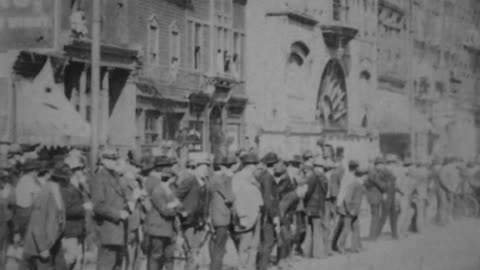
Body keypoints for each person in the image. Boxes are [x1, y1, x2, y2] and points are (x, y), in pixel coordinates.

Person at [22, 159, 68, 270]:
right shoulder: (45, 194)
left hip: (53, 243)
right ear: (60, 180)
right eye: (65, 180)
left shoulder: (56, 192)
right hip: (40, 247)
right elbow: (37, 224)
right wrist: (42, 248)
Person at [91, 149, 131, 270]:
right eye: (110, 159)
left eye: (114, 159)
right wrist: (118, 214)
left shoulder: (114, 176)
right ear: (103, 160)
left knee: (117, 265)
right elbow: (98, 206)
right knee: (106, 265)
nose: (113, 161)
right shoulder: (99, 177)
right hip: (108, 229)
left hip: (118, 230)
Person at [174, 152, 211, 270]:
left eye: (207, 168)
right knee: (191, 253)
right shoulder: (189, 181)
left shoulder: (205, 183)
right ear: (196, 168)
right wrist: (182, 211)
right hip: (188, 222)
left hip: (200, 222)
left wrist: (206, 218)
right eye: (203, 168)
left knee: (196, 252)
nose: (205, 171)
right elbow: (175, 197)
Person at [143, 156, 181, 270]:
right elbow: (164, 206)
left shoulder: (162, 182)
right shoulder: (155, 183)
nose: (172, 168)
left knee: (164, 257)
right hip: (158, 225)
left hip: (164, 226)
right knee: (157, 257)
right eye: (170, 166)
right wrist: (174, 207)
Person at [231, 153, 263, 270]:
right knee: (244, 246)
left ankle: (251, 267)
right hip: (246, 217)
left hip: (256, 214)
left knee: (254, 245)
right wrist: (242, 216)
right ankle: (242, 267)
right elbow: (236, 199)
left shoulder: (253, 178)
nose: (256, 167)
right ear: (249, 166)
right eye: (254, 164)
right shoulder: (238, 178)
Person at [60, 154, 92, 270]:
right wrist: (84, 207)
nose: (83, 171)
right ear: (74, 171)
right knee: (71, 259)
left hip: (79, 230)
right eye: (81, 169)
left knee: (78, 260)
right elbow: (66, 210)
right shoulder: (66, 188)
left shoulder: (79, 186)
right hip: (70, 231)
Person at [208, 155, 236, 270]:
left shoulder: (212, 178)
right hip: (221, 217)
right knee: (219, 247)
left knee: (215, 245)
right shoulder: (220, 180)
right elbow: (230, 197)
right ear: (222, 167)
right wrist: (229, 178)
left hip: (215, 216)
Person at [334, 160, 366, 253]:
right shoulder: (354, 183)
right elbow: (347, 198)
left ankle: (355, 247)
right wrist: (350, 210)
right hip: (349, 210)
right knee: (346, 229)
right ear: (360, 176)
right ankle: (340, 246)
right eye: (364, 176)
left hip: (353, 210)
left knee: (356, 228)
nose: (365, 177)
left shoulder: (359, 184)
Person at [256, 152, 281, 270]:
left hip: (264, 214)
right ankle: (262, 267)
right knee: (268, 242)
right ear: (275, 164)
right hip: (267, 215)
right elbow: (268, 199)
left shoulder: (263, 175)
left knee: (264, 242)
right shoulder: (268, 178)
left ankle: (260, 265)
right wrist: (274, 216)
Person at [303, 157, 329, 259]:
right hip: (319, 207)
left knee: (311, 230)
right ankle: (317, 253)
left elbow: (308, 191)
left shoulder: (313, 177)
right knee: (316, 230)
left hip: (311, 206)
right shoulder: (324, 178)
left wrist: (304, 200)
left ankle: (311, 253)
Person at [364, 157, 387, 241]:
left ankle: (373, 236)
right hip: (375, 198)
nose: (382, 166)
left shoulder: (374, 172)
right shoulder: (374, 173)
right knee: (375, 217)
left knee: (376, 216)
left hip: (374, 197)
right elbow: (382, 185)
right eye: (381, 165)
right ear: (377, 165)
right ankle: (372, 237)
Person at [378, 154, 399, 240]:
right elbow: (382, 183)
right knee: (384, 215)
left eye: (393, 162)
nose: (393, 164)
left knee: (393, 214)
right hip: (387, 194)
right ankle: (376, 233)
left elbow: (395, 182)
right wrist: (384, 192)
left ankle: (394, 234)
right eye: (391, 162)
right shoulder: (384, 171)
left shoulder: (391, 170)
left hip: (392, 194)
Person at [396, 158, 416, 237]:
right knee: (404, 213)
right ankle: (399, 232)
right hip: (404, 196)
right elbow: (397, 185)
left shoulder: (408, 173)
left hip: (407, 196)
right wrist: (403, 192)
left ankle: (403, 230)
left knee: (410, 212)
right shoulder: (404, 173)